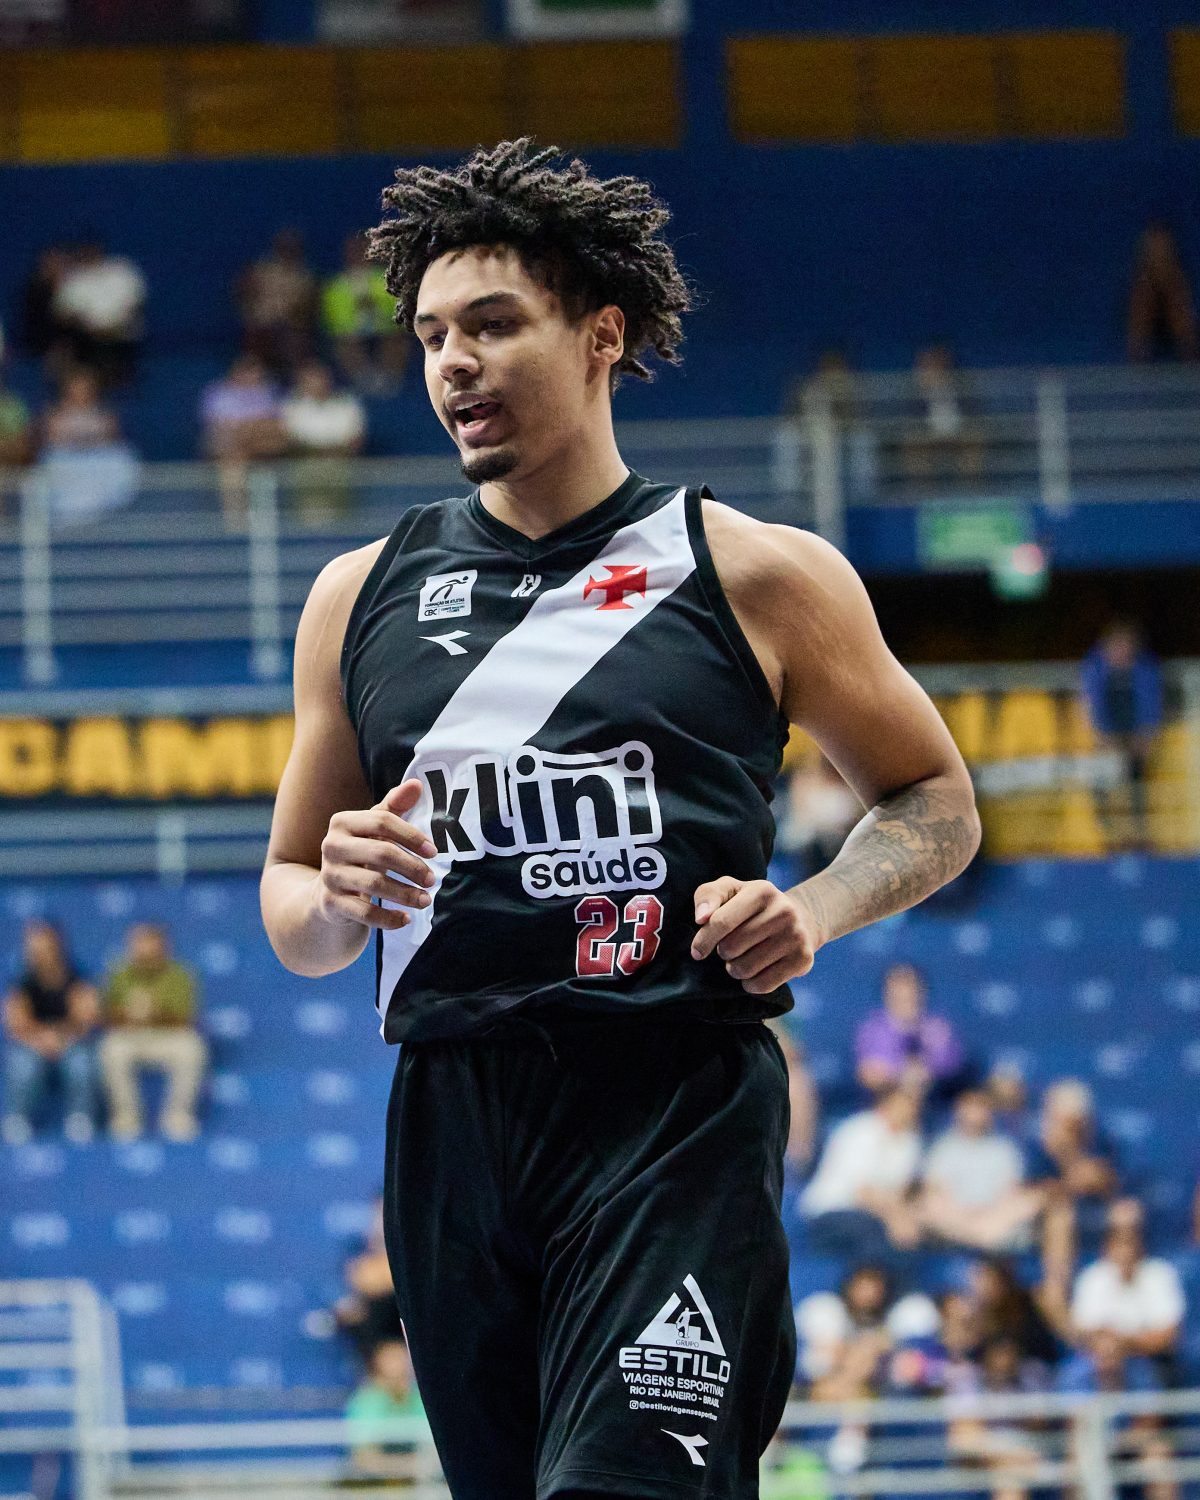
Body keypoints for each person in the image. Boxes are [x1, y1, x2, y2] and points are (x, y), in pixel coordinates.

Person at [260, 137, 980, 1500]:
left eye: (492, 324)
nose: (453, 363)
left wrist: (815, 908)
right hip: (452, 1118)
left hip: (672, 1102)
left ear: (601, 335)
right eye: (432, 336)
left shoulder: (756, 571)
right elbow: (293, 907)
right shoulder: (358, 595)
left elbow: (936, 799)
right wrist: (336, 896)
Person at [98, 923, 206, 1142]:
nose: (144, 949)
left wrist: (153, 1012)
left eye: (149, 943)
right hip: (129, 1035)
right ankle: (127, 1117)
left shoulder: (179, 974)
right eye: (139, 943)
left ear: (163, 945)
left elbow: (187, 1018)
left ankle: (178, 1116)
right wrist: (129, 1014)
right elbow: (105, 1015)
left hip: (167, 1036)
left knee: (192, 1046)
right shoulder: (119, 974)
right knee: (111, 1048)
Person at [2, 920, 101, 1145]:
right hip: (34, 1044)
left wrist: (60, 1036)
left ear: (57, 945)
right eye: (33, 947)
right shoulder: (21, 983)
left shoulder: (78, 977)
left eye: (44, 946)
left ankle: (81, 1117)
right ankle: (17, 1118)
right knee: (23, 1063)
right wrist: (40, 1039)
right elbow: (15, 1023)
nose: (38, 952)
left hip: (71, 1042)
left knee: (81, 1063)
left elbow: (87, 1018)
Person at [799, 1085, 924, 1261]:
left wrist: (905, 1218)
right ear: (883, 1106)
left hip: (874, 1213)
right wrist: (894, 1218)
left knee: (914, 1236)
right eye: (899, 1106)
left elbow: (900, 1191)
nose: (905, 1112)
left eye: (911, 1108)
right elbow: (862, 1192)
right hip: (832, 1209)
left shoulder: (910, 1142)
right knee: (876, 1233)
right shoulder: (860, 1131)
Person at [918, 1089, 1044, 1252]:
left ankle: (976, 1236)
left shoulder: (1005, 1149)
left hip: (992, 1215)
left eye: (981, 1108)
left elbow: (1010, 1191)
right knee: (928, 1204)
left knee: (1029, 1201)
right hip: (954, 1215)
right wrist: (963, 1215)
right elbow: (933, 1188)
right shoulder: (943, 1147)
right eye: (970, 1108)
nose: (975, 1114)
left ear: (990, 1113)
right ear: (959, 1111)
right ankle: (977, 1237)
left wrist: (986, 1214)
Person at [1080, 621, 1164, 850]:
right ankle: (1104, 831)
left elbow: (1151, 706)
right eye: (1117, 646)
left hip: (1135, 736)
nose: (1122, 652)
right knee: (1100, 776)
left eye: (1126, 647)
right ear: (1108, 646)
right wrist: (1104, 738)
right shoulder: (1095, 667)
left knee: (1136, 775)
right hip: (1107, 735)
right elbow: (1090, 707)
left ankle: (1139, 831)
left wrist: (1145, 736)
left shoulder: (1145, 668)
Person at [1070, 1224, 1184, 1383]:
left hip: (1147, 1360)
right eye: (1119, 1246)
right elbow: (1084, 1332)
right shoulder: (1092, 1278)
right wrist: (1114, 1346)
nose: (1125, 1253)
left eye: (1129, 1245)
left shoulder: (1160, 1274)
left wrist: (1122, 1342)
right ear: (1107, 1249)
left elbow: (1168, 1336)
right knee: (1073, 1376)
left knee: (1147, 1376)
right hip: (1099, 1358)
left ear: (1141, 1248)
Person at [38, 367, 138, 525]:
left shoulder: (105, 413)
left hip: (97, 459)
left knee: (122, 457)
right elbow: (52, 440)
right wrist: (79, 440)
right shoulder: (54, 414)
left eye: (85, 387)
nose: (81, 391)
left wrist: (86, 441)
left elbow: (112, 439)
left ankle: (104, 509)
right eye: (77, 387)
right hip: (67, 460)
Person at [855, 961, 965, 1098]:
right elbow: (869, 1074)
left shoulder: (938, 1027)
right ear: (886, 994)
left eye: (910, 988)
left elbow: (953, 1067)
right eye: (898, 991)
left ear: (922, 992)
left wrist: (927, 1071)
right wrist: (901, 1074)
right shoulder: (872, 1030)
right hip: (887, 1100)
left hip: (934, 1098)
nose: (905, 994)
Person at [200, 354, 287, 523]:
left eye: (256, 371)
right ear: (236, 372)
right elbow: (220, 427)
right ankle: (236, 520)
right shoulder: (219, 393)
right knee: (233, 465)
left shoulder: (268, 392)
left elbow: (275, 425)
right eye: (247, 371)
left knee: (270, 444)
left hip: (263, 448)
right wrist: (250, 429)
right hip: (231, 448)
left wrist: (250, 430)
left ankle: (266, 522)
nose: (252, 376)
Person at [322, 231, 409, 394]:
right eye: (354, 251)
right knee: (345, 344)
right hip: (352, 333)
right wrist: (354, 319)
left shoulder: (384, 278)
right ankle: (362, 381)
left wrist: (375, 308)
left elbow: (398, 310)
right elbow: (333, 320)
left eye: (362, 251)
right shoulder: (336, 285)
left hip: (382, 328)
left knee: (397, 339)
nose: (358, 256)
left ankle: (389, 381)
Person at [51, 237, 146, 385]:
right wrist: (89, 328)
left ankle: (116, 380)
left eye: (93, 250)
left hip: (121, 336)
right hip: (86, 338)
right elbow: (63, 313)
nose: (91, 254)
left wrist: (112, 327)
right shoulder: (74, 278)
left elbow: (136, 304)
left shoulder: (121, 269)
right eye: (86, 250)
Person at [281, 360, 366, 523]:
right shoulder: (292, 406)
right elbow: (290, 441)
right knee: (309, 472)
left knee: (335, 471)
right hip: (305, 463)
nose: (316, 383)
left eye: (319, 378)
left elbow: (356, 441)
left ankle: (339, 521)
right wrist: (316, 452)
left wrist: (331, 452)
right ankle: (308, 521)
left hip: (340, 462)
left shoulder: (346, 403)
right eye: (310, 380)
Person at [237, 228, 317, 377]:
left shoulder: (305, 276)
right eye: (284, 247)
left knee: (296, 340)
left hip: (290, 327)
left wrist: (292, 317)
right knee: (256, 337)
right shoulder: (261, 270)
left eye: (292, 248)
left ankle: (296, 380)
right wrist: (251, 312)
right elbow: (243, 294)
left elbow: (307, 307)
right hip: (262, 326)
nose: (288, 251)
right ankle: (255, 379)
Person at [345, 1337, 427, 1481]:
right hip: (375, 1482)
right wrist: (405, 1467)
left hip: (420, 1480)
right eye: (392, 1360)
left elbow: (433, 1452)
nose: (399, 1365)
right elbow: (363, 1458)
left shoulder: (420, 1397)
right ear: (378, 1365)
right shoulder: (366, 1401)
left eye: (403, 1359)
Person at [1127, 221, 1197, 364]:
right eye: (1153, 258)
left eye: (1163, 258)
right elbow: (1134, 352)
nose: (1158, 264)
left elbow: (1190, 347)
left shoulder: (1179, 291)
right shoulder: (1141, 294)